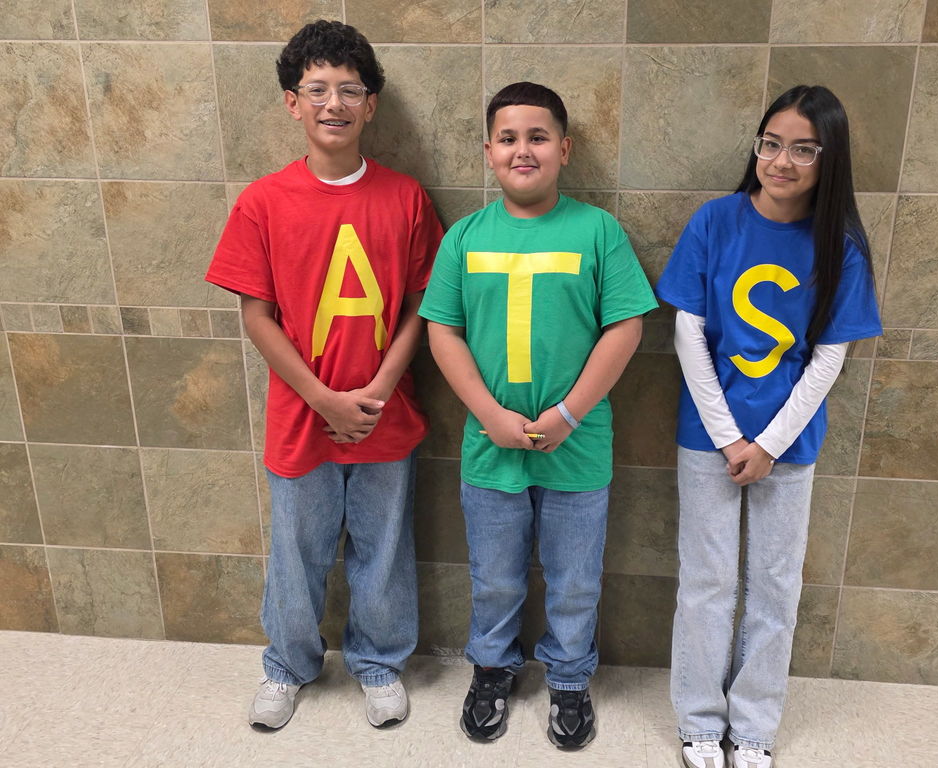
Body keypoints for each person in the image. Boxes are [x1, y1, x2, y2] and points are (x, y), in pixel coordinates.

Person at [205, 20, 443, 731]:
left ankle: (378, 662)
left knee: (383, 545)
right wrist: (321, 398)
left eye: (349, 90)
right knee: (297, 549)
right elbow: (256, 315)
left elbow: (423, 306)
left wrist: (372, 392)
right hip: (301, 415)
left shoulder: (405, 199)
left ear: (371, 105)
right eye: (317, 90)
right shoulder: (263, 201)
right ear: (292, 102)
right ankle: (287, 664)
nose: (332, 103)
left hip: (383, 414)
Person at [418, 81, 657, 749]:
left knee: (575, 577)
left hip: (577, 448)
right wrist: (490, 413)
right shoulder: (465, 238)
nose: (523, 149)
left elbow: (626, 328)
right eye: (509, 138)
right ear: (488, 151)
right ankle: (492, 668)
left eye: (539, 136)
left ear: (565, 148)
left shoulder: (597, 231)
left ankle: (570, 676)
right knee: (494, 574)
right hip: (490, 446)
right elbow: (443, 332)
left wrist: (569, 414)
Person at [655, 85, 882, 768]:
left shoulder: (838, 247)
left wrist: (771, 443)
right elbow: (688, 333)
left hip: (792, 442)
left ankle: (752, 728)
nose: (782, 161)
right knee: (707, 581)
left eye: (803, 149)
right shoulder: (716, 221)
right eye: (772, 144)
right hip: (709, 440)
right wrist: (730, 437)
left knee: (777, 587)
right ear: (757, 146)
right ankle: (699, 721)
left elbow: (828, 359)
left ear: (828, 158)